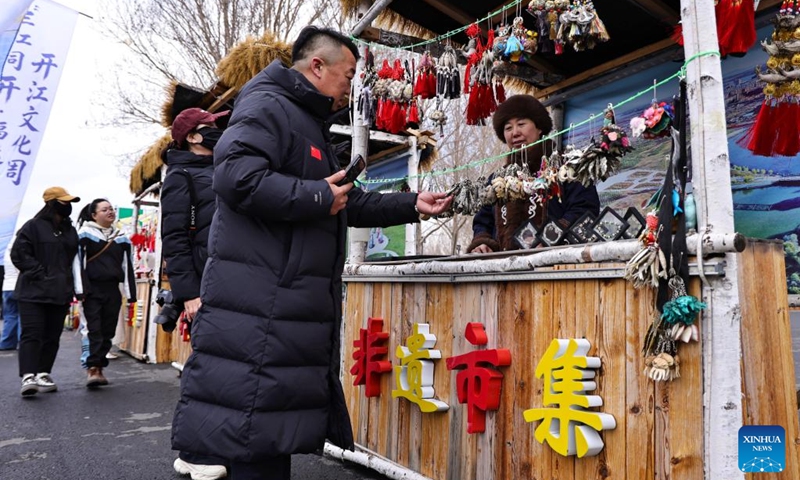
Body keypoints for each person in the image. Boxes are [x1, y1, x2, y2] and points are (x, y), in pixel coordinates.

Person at [171, 26, 452, 480]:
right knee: (252, 437)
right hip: (262, 302)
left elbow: (341, 198)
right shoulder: (267, 105)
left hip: (282, 305)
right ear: (316, 66)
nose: (349, 86)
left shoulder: (304, 117)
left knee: (263, 434)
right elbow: (237, 177)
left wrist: (410, 204)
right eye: (347, 74)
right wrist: (317, 198)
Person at [161, 107, 230, 480]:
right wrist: (187, 293)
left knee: (227, 368)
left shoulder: (224, 168)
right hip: (202, 288)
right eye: (211, 127)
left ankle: (219, 446)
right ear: (192, 136)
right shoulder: (180, 176)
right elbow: (174, 238)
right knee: (207, 369)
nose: (218, 130)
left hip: (229, 280)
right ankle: (193, 452)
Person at [468, 95, 600, 253]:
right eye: (508, 128)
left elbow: (584, 210)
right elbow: (483, 221)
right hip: (503, 269)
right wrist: (483, 243)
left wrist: (550, 238)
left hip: (555, 266)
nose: (514, 133)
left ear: (539, 128)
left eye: (521, 124)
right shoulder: (498, 180)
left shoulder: (567, 170)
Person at [11, 187, 81, 396]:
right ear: (50, 203)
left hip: (60, 292)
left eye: (69, 202)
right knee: (32, 333)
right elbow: (19, 254)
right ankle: (28, 375)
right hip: (33, 292)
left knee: (52, 335)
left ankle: (43, 372)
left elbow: (74, 260)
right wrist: (40, 274)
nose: (67, 206)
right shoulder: (32, 226)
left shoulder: (70, 230)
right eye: (63, 202)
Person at [74, 199, 136, 388]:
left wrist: (130, 293)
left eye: (111, 209)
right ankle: (93, 368)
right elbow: (78, 264)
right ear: (94, 215)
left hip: (112, 290)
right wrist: (80, 290)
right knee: (94, 329)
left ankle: (100, 365)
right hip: (91, 289)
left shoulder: (122, 237)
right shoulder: (84, 235)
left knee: (108, 329)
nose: (110, 212)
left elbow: (128, 266)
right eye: (104, 209)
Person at [1, 236, 20, 350]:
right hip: (18, 287)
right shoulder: (18, 253)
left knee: (10, 316)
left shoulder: (6, 255)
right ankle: (22, 343)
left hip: (6, 287)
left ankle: (6, 343)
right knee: (22, 316)